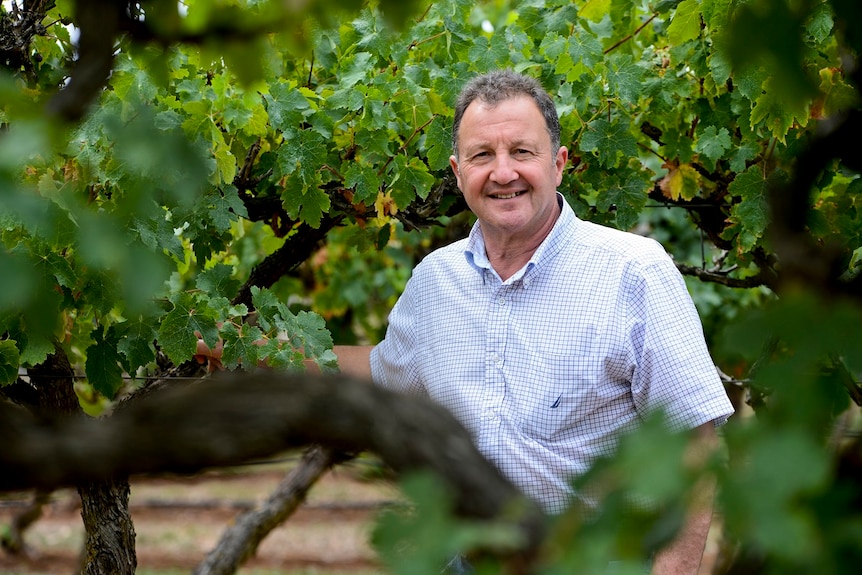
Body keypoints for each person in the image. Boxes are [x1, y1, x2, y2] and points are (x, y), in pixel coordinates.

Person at [333, 70, 734, 574]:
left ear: (559, 163)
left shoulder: (634, 272)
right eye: (483, 155)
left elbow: (694, 447)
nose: (503, 173)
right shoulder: (436, 281)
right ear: (458, 173)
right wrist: (235, 346)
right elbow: (377, 372)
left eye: (521, 152)